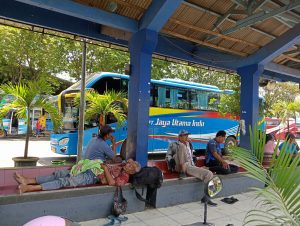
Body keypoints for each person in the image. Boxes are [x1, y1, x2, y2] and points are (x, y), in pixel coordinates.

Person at [14, 159, 141, 193]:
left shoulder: (125, 177)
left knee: (64, 181)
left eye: (130, 166)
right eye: (129, 163)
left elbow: (113, 184)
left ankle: (29, 188)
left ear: (132, 172)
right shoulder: (121, 164)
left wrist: (105, 169)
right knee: (59, 173)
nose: (128, 165)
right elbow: (105, 164)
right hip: (89, 169)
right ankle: (28, 180)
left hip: (91, 177)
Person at [172, 130, 216, 206]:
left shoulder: (187, 144)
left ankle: (206, 197)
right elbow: (182, 161)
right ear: (179, 137)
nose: (186, 137)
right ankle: (206, 197)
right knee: (209, 174)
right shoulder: (180, 146)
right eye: (184, 135)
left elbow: (190, 157)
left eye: (187, 135)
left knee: (208, 170)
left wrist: (197, 167)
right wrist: (182, 173)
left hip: (191, 165)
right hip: (186, 167)